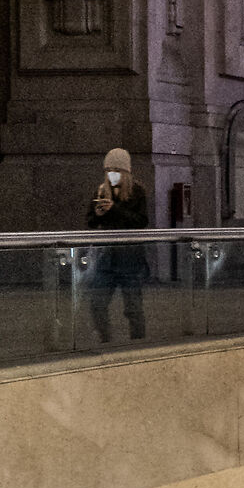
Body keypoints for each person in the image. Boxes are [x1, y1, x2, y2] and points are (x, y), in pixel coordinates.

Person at [86, 147, 151, 343]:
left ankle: (137, 344)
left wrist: (115, 209)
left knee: (133, 307)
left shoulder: (137, 192)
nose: (112, 175)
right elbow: (90, 222)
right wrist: (97, 215)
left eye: (116, 170)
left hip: (130, 258)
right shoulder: (101, 191)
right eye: (108, 170)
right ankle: (106, 339)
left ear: (125, 172)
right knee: (97, 303)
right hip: (106, 259)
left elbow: (140, 221)